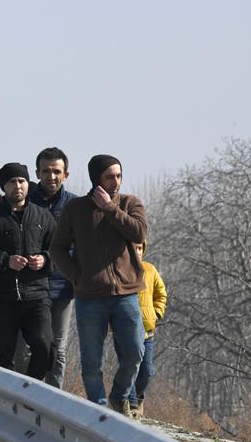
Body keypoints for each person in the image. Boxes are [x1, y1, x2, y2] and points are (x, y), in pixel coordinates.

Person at [50, 155, 147, 416]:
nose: (116, 182)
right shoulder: (75, 209)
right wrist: (76, 277)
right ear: (97, 179)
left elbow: (139, 233)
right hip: (89, 296)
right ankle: (99, 410)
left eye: (119, 176)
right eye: (109, 177)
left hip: (126, 294)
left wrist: (111, 209)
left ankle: (119, 396)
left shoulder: (130, 203)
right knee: (91, 361)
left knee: (135, 353)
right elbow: (57, 248)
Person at [0, 163, 56, 380]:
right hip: (3, 297)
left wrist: (45, 259)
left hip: (37, 295)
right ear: (3, 186)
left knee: (45, 346)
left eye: (22, 181)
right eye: (12, 182)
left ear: (28, 184)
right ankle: (5, 402)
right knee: (2, 354)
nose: (17, 186)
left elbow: (60, 252)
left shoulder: (43, 216)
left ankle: (31, 393)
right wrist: (5, 261)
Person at [28, 147, 78, 389]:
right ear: (37, 173)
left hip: (62, 286)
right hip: (29, 286)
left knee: (58, 348)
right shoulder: (25, 201)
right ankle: (26, 399)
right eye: (46, 171)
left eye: (56, 171)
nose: (51, 176)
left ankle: (55, 401)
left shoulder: (75, 206)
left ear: (66, 174)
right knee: (29, 348)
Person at [124, 240, 167, 419]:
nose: (137, 252)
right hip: (125, 331)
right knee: (129, 366)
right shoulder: (120, 270)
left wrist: (156, 313)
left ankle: (138, 398)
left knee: (146, 371)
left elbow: (161, 294)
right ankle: (132, 405)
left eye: (140, 248)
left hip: (147, 331)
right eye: (134, 248)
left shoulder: (150, 270)